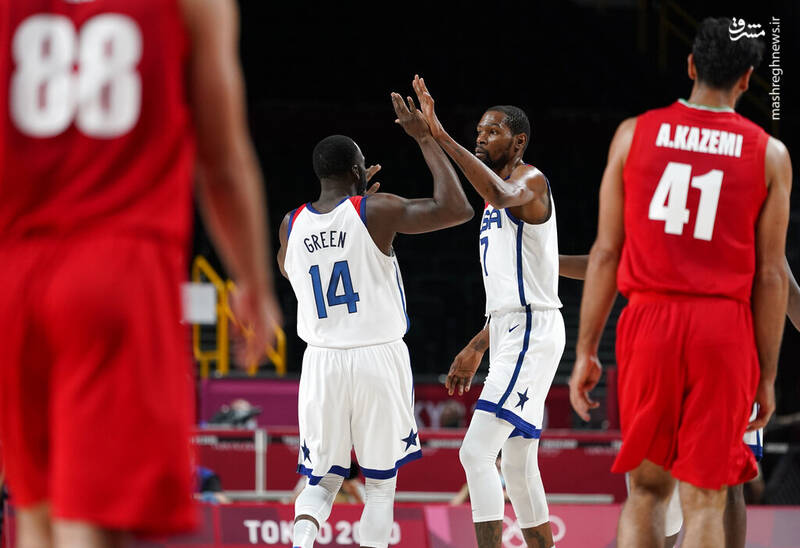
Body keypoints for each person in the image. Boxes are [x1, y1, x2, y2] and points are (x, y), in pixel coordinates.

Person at [0, 1, 281, 547]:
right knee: (93, 521)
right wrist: (252, 280)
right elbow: (222, 162)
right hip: (117, 268)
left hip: (16, 271)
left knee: (35, 513)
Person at [567, 17, 791, 548]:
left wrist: (585, 349)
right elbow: (771, 275)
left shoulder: (633, 133)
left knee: (646, 492)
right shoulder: (769, 154)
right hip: (723, 329)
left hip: (650, 322)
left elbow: (605, 253)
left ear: (690, 66)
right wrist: (766, 374)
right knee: (707, 498)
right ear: (747, 79)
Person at [276, 93, 472, 548]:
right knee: (381, 485)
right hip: (376, 357)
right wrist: (425, 139)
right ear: (356, 170)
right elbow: (457, 208)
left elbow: (288, 268)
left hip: (321, 361)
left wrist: (351, 214)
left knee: (322, 480)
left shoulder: (290, 224)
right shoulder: (375, 211)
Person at [412, 75, 563, 548]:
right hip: (512, 328)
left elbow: (500, 193)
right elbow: (507, 293)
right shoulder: (491, 203)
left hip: (531, 329)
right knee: (517, 465)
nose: (481, 138)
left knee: (476, 453)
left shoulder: (529, 180)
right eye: (478, 131)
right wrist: (479, 344)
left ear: (518, 142)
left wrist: (439, 135)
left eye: (492, 132)